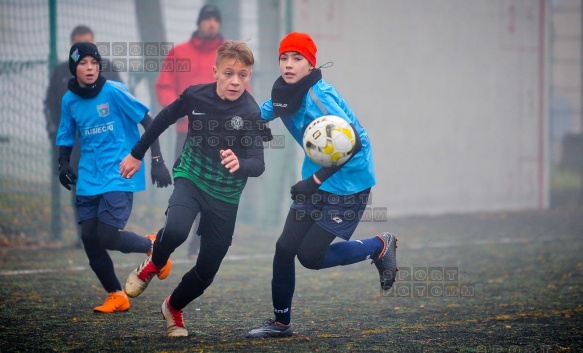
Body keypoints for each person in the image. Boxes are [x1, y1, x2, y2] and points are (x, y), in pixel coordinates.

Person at [246, 32, 398, 339]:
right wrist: (249, 125)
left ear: (310, 64)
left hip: (348, 184)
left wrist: (313, 181)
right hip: (316, 180)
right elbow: (256, 114)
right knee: (285, 248)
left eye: (297, 58)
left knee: (311, 257)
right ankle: (280, 323)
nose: (289, 65)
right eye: (284, 58)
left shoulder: (319, 97)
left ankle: (379, 245)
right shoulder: (284, 92)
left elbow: (353, 143)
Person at [121, 40, 271, 337]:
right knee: (176, 231)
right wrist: (137, 154)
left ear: (249, 77)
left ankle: (172, 308)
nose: (235, 81)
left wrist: (240, 163)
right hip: (191, 176)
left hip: (226, 195)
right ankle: (155, 261)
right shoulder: (195, 96)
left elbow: (258, 163)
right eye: (229, 73)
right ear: (215, 72)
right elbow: (163, 119)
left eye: (243, 75)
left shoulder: (252, 113)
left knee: (206, 272)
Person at [56, 42, 173, 313]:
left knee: (107, 235)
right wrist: (63, 163)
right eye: (83, 63)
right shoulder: (69, 100)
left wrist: (156, 160)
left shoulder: (114, 92)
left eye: (93, 63)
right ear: (75, 69)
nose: (89, 68)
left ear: (99, 66)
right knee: (89, 237)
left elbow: (149, 121)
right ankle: (116, 295)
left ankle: (153, 246)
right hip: (88, 177)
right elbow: (65, 135)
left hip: (120, 173)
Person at [155, 4, 225, 259]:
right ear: (199, 23)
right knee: (186, 183)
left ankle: (199, 241)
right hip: (186, 134)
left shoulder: (226, 55)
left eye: (216, 20)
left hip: (220, 136)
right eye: (207, 19)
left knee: (213, 187)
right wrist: (180, 110)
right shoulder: (179, 53)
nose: (212, 24)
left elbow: (242, 90)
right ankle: (176, 229)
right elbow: (164, 85)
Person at [45, 25, 123, 246]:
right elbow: (50, 104)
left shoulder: (109, 69)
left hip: (104, 141)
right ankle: (85, 236)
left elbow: (123, 104)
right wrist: (54, 132)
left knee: (106, 184)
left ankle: (106, 230)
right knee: (78, 186)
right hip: (76, 143)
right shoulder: (61, 72)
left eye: (88, 43)